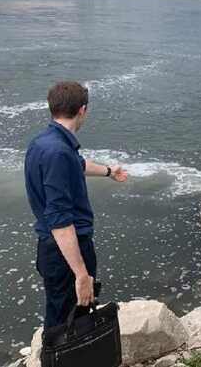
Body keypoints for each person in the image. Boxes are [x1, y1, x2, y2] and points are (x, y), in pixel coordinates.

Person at [24, 81, 128, 329]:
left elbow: (78, 165)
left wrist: (109, 171)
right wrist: (81, 274)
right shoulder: (58, 152)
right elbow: (60, 220)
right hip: (66, 253)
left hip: (51, 250)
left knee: (64, 315)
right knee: (67, 324)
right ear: (82, 110)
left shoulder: (44, 143)